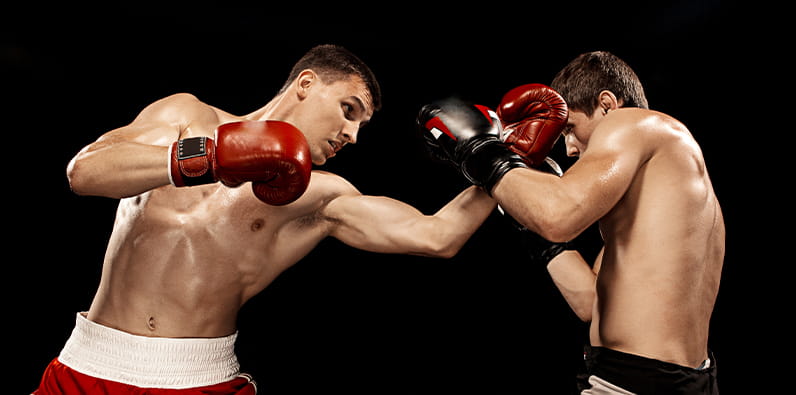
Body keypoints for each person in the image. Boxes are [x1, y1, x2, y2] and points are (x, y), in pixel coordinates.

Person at [33, 44, 512, 394]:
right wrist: (211, 157)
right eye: (348, 110)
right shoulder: (186, 116)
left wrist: (500, 160)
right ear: (306, 84)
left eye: (361, 126)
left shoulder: (317, 194)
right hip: (85, 366)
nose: (352, 134)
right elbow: (85, 171)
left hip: (199, 379)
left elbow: (436, 237)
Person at [417, 52, 724, 394]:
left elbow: (557, 216)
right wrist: (533, 230)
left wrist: (482, 150)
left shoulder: (636, 123)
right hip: (680, 378)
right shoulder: (666, 193)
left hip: (633, 379)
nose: (570, 149)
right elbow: (590, 301)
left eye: (570, 129)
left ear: (607, 104)